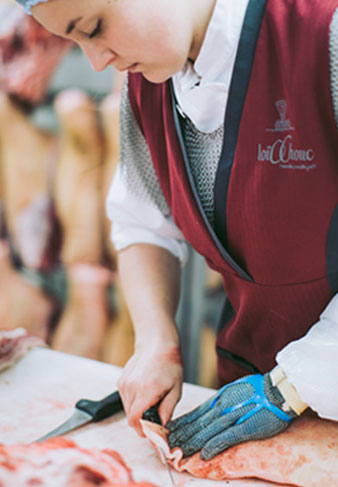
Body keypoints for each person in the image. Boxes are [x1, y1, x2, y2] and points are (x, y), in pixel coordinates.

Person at [16, 0, 338, 461]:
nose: (96, 60)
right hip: (243, 401)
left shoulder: (324, 34)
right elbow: (143, 223)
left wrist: (293, 384)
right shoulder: (147, 84)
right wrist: (155, 342)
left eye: (94, 27)